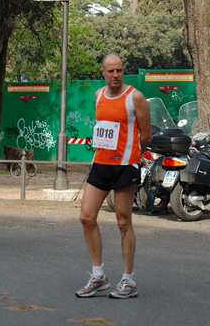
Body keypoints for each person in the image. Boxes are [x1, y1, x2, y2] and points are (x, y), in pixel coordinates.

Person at [76, 54, 152, 299]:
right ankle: (98, 276)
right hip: (100, 163)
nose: (115, 75)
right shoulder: (98, 95)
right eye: (111, 71)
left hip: (125, 166)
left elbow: (147, 135)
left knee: (123, 222)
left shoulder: (135, 97)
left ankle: (128, 281)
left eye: (119, 70)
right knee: (86, 217)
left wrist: (130, 154)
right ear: (103, 73)